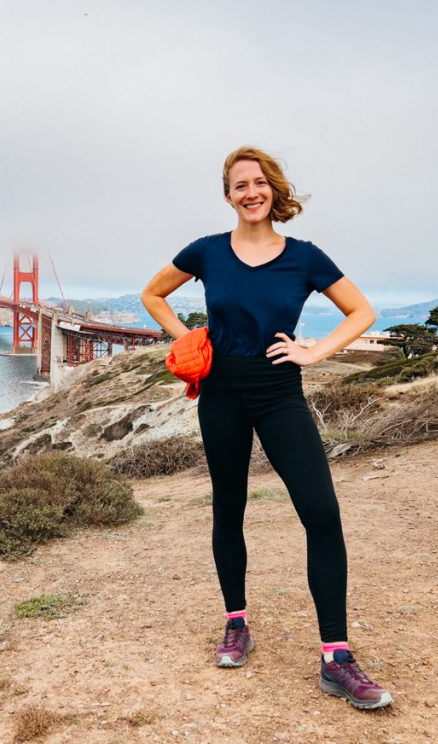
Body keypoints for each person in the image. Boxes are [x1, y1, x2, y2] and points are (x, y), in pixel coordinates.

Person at [140, 146, 392, 710]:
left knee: (322, 513)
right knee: (228, 509)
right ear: (227, 196)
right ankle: (236, 623)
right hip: (221, 394)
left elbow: (362, 312)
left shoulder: (304, 257)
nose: (250, 193)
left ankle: (338, 659)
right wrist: (184, 337)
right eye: (238, 186)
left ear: (273, 190)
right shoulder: (206, 252)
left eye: (258, 183)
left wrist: (314, 352)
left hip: (280, 395)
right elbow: (153, 293)